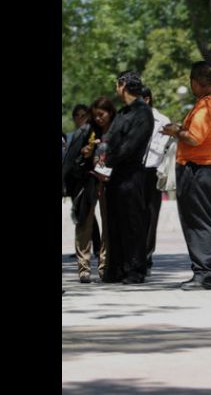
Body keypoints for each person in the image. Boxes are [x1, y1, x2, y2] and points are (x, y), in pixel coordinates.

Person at [162, 61, 211, 290]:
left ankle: (205, 274)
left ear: (195, 82)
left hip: (201, 171)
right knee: (207, 221)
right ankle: (208, 272)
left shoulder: (208, 105)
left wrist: (175, 131)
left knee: (199, 223)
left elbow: (193, 138)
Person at [103, 71, 154, 283]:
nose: (116, 88)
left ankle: (134, 270)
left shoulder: (143, 113)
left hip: (132, 175)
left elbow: (130, 146)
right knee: (115, 222)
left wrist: (110, 158)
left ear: (123, 84)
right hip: (114, 175)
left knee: (133, 224)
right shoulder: (123, 113)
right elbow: (110, 139)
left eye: (117, 84)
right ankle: (116, 269)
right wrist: (101, 155)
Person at [62, 97, 116, 282]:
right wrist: (86, 152)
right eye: (95, 116)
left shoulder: (117, 128)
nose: (98, 119)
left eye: (102, 115)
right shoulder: (87, 130)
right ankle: (84, 268)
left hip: (110, 182)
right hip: (88, 181)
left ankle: (105, 266)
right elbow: (73, 159)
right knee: (84, 224)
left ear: (110, 113)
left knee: (109, 225)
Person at [140, 86, 172, 276]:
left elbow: (163, 150)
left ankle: (146, 256)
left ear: (147, 99)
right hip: (132, 172)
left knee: (151, 217)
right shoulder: (128, 118)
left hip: (152, 172)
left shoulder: (162, 121)